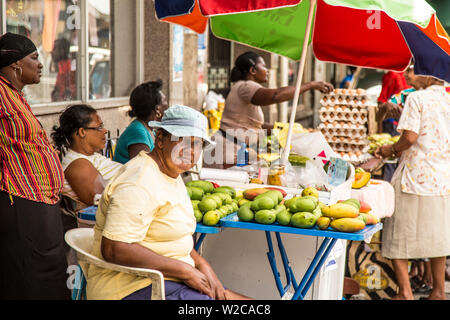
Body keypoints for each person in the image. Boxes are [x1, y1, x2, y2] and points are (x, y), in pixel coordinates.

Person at [86, 105, 250, 300]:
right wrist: (186, 271)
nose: (189, 151)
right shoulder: (139, 181)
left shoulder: (171, 173)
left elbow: (171, 238)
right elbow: (114, 248)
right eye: (181, 140)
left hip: (169, 280)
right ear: (161, 140)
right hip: (130, 287)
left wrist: (202, 265)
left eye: (196, 144)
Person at [0, 32, 70, 299]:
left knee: (50, 275)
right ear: (16, 63)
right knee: (29, 278)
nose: (40, 64)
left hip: (42, 200)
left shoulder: (15, 95)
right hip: (20, 200)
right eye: (34, 57)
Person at [374, 74, 450, 300]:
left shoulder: (418, 98)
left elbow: (409, 137)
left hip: (414, 176)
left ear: (428, 76)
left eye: (415, 70)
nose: (409, 74)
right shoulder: (448, 100)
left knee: (398, 232)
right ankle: (438, 291)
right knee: (437, 236)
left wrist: (390, 150)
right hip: (442, 179)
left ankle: (405, 292)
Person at [207, 51, 333, 168]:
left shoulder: (242, 88)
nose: (267, 70)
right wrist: (310, 85)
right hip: (228, 150)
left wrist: (283, 129)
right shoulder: (246, 87)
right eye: (264, 66)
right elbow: (276, 95)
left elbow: (252, 125)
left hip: (236, 148)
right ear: (253, 70)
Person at [51, 104, 123, 213]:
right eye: (99, 127)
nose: (105, 131)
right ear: (82, 132)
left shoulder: (91, 157)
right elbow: (103, 201)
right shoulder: (77, 165)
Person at [113, 80, 168, 164]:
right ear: (157, 109)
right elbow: (143, 168)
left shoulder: (149, 129)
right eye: (165, 101)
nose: (167, 105)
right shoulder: (137, 132)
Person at [51, 38, 76, 102]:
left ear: (62, 51)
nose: (52, 52)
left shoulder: (71, 69)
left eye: (54, 49)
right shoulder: (61, 68)